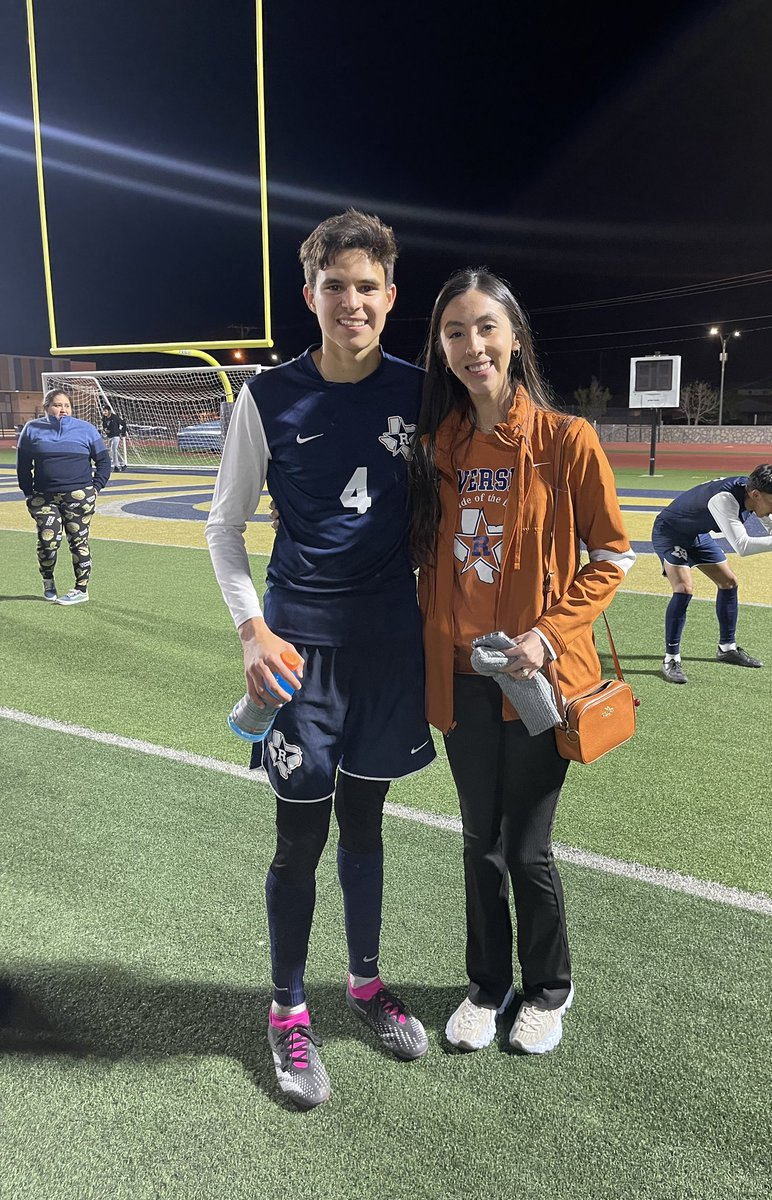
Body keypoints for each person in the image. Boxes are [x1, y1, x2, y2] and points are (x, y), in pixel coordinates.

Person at [205, 210, 435, 1109]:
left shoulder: (424, 391)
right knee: (300, 837)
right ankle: (288, 1011)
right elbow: (224, 528)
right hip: (298, 657)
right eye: (334, 286)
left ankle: (367, 987)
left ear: (389, 296)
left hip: (389, 649)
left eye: (366, 286)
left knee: (368, 826)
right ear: (310, 295)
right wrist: (252, 630)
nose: (351, 301)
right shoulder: (266, 396)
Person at [408, 268, 635, 1055]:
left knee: (526, 847)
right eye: (455, 333)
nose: (473, 346)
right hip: (463, 683)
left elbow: (612, 554)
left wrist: (546, 635)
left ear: (514, 337)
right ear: (442, 349)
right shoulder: (438, 445)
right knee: (478, 841)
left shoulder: (566, 440)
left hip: (536, 684)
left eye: (485, 329)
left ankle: (547, 991)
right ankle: (487, 985)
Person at [650, 464, 772, 684]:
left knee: (729, 582)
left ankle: (727, 648)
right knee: (684, 588)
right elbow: (742, 546)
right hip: (670, 532)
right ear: (756, 494)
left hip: (696, 534)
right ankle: (671, 659)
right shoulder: (725, 500)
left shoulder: (753, 492)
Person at [16, 389, 111, 605]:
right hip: (44, 498)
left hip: (79, 497)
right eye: (58, 405)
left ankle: (81, 589)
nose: (63, 409)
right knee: (47, 541)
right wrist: (28, 492)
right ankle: (48, 580)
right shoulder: (32, 429)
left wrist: (95, 488)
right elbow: (23, 466)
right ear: (46, 407)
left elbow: (104, 462)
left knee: (79, 542)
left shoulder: (86, 430)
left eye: (67, 405)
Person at [101, 405, 127, 471]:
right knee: (113, 450)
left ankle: (116, 466)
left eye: (105, 411)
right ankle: (123, 463)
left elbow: (123, 423)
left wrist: (123, 432)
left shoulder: (115, 417)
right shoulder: (104, 418)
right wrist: (105, 430)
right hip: (109, 436)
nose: (104, 412)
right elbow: (104, 426)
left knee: (113, 448)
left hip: (116, 436)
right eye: (103, 411)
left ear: (109, 411)